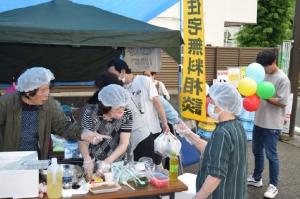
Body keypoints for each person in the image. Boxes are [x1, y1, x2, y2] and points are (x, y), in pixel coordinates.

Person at [0, 67, 107, 159]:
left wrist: (83, 133)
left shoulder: (49, 104)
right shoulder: (5, 104)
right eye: (42, 90)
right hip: (9, 159)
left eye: (48, 89)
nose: (47, 94)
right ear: (28, 91)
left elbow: (63, 126)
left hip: (37, 159)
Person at [178, 83, 247, 199]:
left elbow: (216, 175)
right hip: (235, 191)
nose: (209, 105)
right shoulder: (236, 125)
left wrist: (199, 197)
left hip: (221, 193)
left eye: (212, 103)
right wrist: (189, 135)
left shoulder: (223, 133)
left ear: (222, 105)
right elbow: (213, 149)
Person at [107, 58, 169, 165]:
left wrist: (164, 122)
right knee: (137, 167)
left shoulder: (144, 80)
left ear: (122, 71)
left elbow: (157, 102)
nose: (111, 77)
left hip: (151, 130)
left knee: (151, 166)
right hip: (134, 136)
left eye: (113, 74)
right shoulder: (120, 88)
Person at [247, 50, 291, 198]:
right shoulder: (261, 73)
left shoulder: (283, 79)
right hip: (258, 120)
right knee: (256, 151)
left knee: (272, 156)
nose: (263, 70)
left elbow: (282, 102)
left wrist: (264, 96)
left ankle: (273, 185)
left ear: (273, 63)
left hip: (272, 125)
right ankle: (257, 178)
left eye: (265, 67)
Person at [79, 84, 133, 179]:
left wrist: (107, 162)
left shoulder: (127, 114)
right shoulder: (90, 113)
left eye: (122, 110)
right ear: (106, 107)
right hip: (94, 160)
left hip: (117, 162)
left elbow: (124, 144)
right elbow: (83, 141)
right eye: (117, 111)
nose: (121, 114)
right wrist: (87, 159)